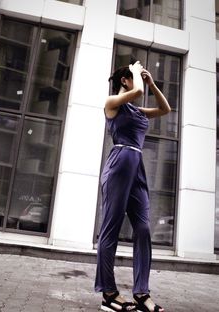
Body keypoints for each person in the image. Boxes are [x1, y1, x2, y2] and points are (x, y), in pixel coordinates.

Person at [95, 61, 171, 312]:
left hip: (137, 167)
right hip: (119, 164)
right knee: (110, 229)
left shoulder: (138, 111)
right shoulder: (112, 103)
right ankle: (109, 293)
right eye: (133, 77)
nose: (138, 82)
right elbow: (137, 92)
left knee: (143, 228)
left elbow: (165, 108)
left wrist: (151, 83)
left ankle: (141, 293)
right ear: (125, 81)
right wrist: (137, 73)